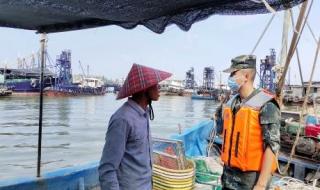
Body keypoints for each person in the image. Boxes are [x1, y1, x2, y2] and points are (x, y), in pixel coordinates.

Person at [98, 63, 172, 190]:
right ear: (144, 89)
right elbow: (107, 169)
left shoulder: (144, 114)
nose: (159, 87)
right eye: (155, 84)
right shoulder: (122, 119)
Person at [218, 55, 281, 190]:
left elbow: (272, 146)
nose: (230, 78)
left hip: (250, 180)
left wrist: (261, 184)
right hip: (228, 176)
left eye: (233, 74)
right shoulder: (232, 102)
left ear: (246, 76)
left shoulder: (266, 104)